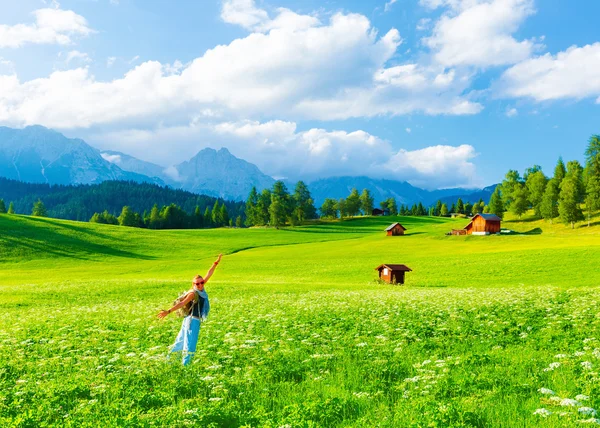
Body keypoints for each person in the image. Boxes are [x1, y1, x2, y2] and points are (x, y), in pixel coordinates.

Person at [157, 254, 222, 365]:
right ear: (194, 284)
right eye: (198, 283)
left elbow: (208, 274)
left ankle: (169, 362)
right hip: (192, 321)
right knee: (190, 344)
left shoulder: (201, 288)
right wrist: (168, 311)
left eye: (202, 282)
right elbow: (182, 303)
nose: (201, 284)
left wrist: (216, 263)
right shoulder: (193, 293)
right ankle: (185, 367)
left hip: (188, 320)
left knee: (180, 342)